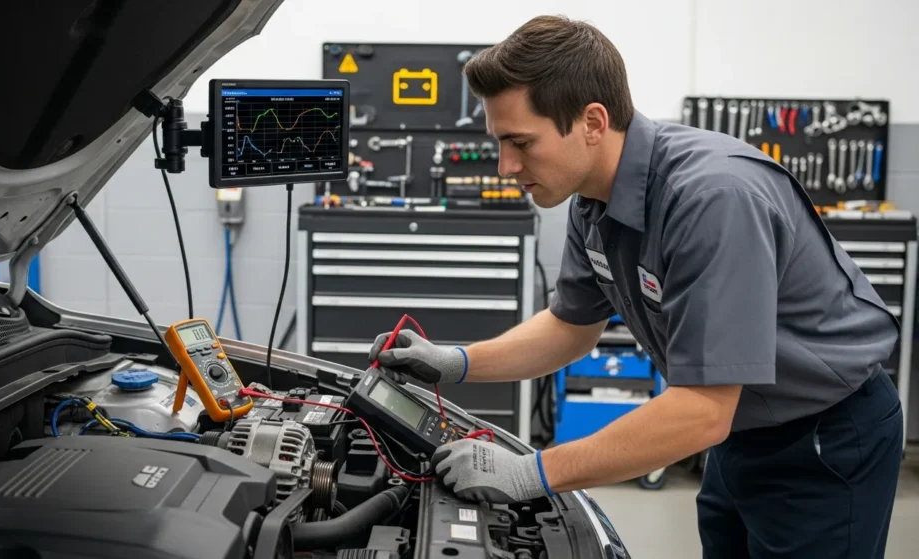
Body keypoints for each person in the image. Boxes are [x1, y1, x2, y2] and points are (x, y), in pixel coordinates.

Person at [367, 14, 904, 559]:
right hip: (740, 432)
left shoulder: (711, 199)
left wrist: (534, 472)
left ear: (593, 122)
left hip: (825, 441)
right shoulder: (592, 201)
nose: (507, 166)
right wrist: (455, 362)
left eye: (521, 142)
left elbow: (701, 409)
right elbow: (570, 327)